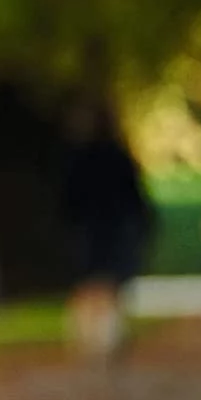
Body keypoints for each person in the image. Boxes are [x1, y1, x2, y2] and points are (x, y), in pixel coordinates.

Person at [62, 102, 154, 361]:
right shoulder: (117, 156)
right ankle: (105, 339)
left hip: (91, 229)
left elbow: (67, 199)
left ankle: (93, 340)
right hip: (112, 228)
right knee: (108, 285)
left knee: (91, 283)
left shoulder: (77, 157)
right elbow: (135, 197)